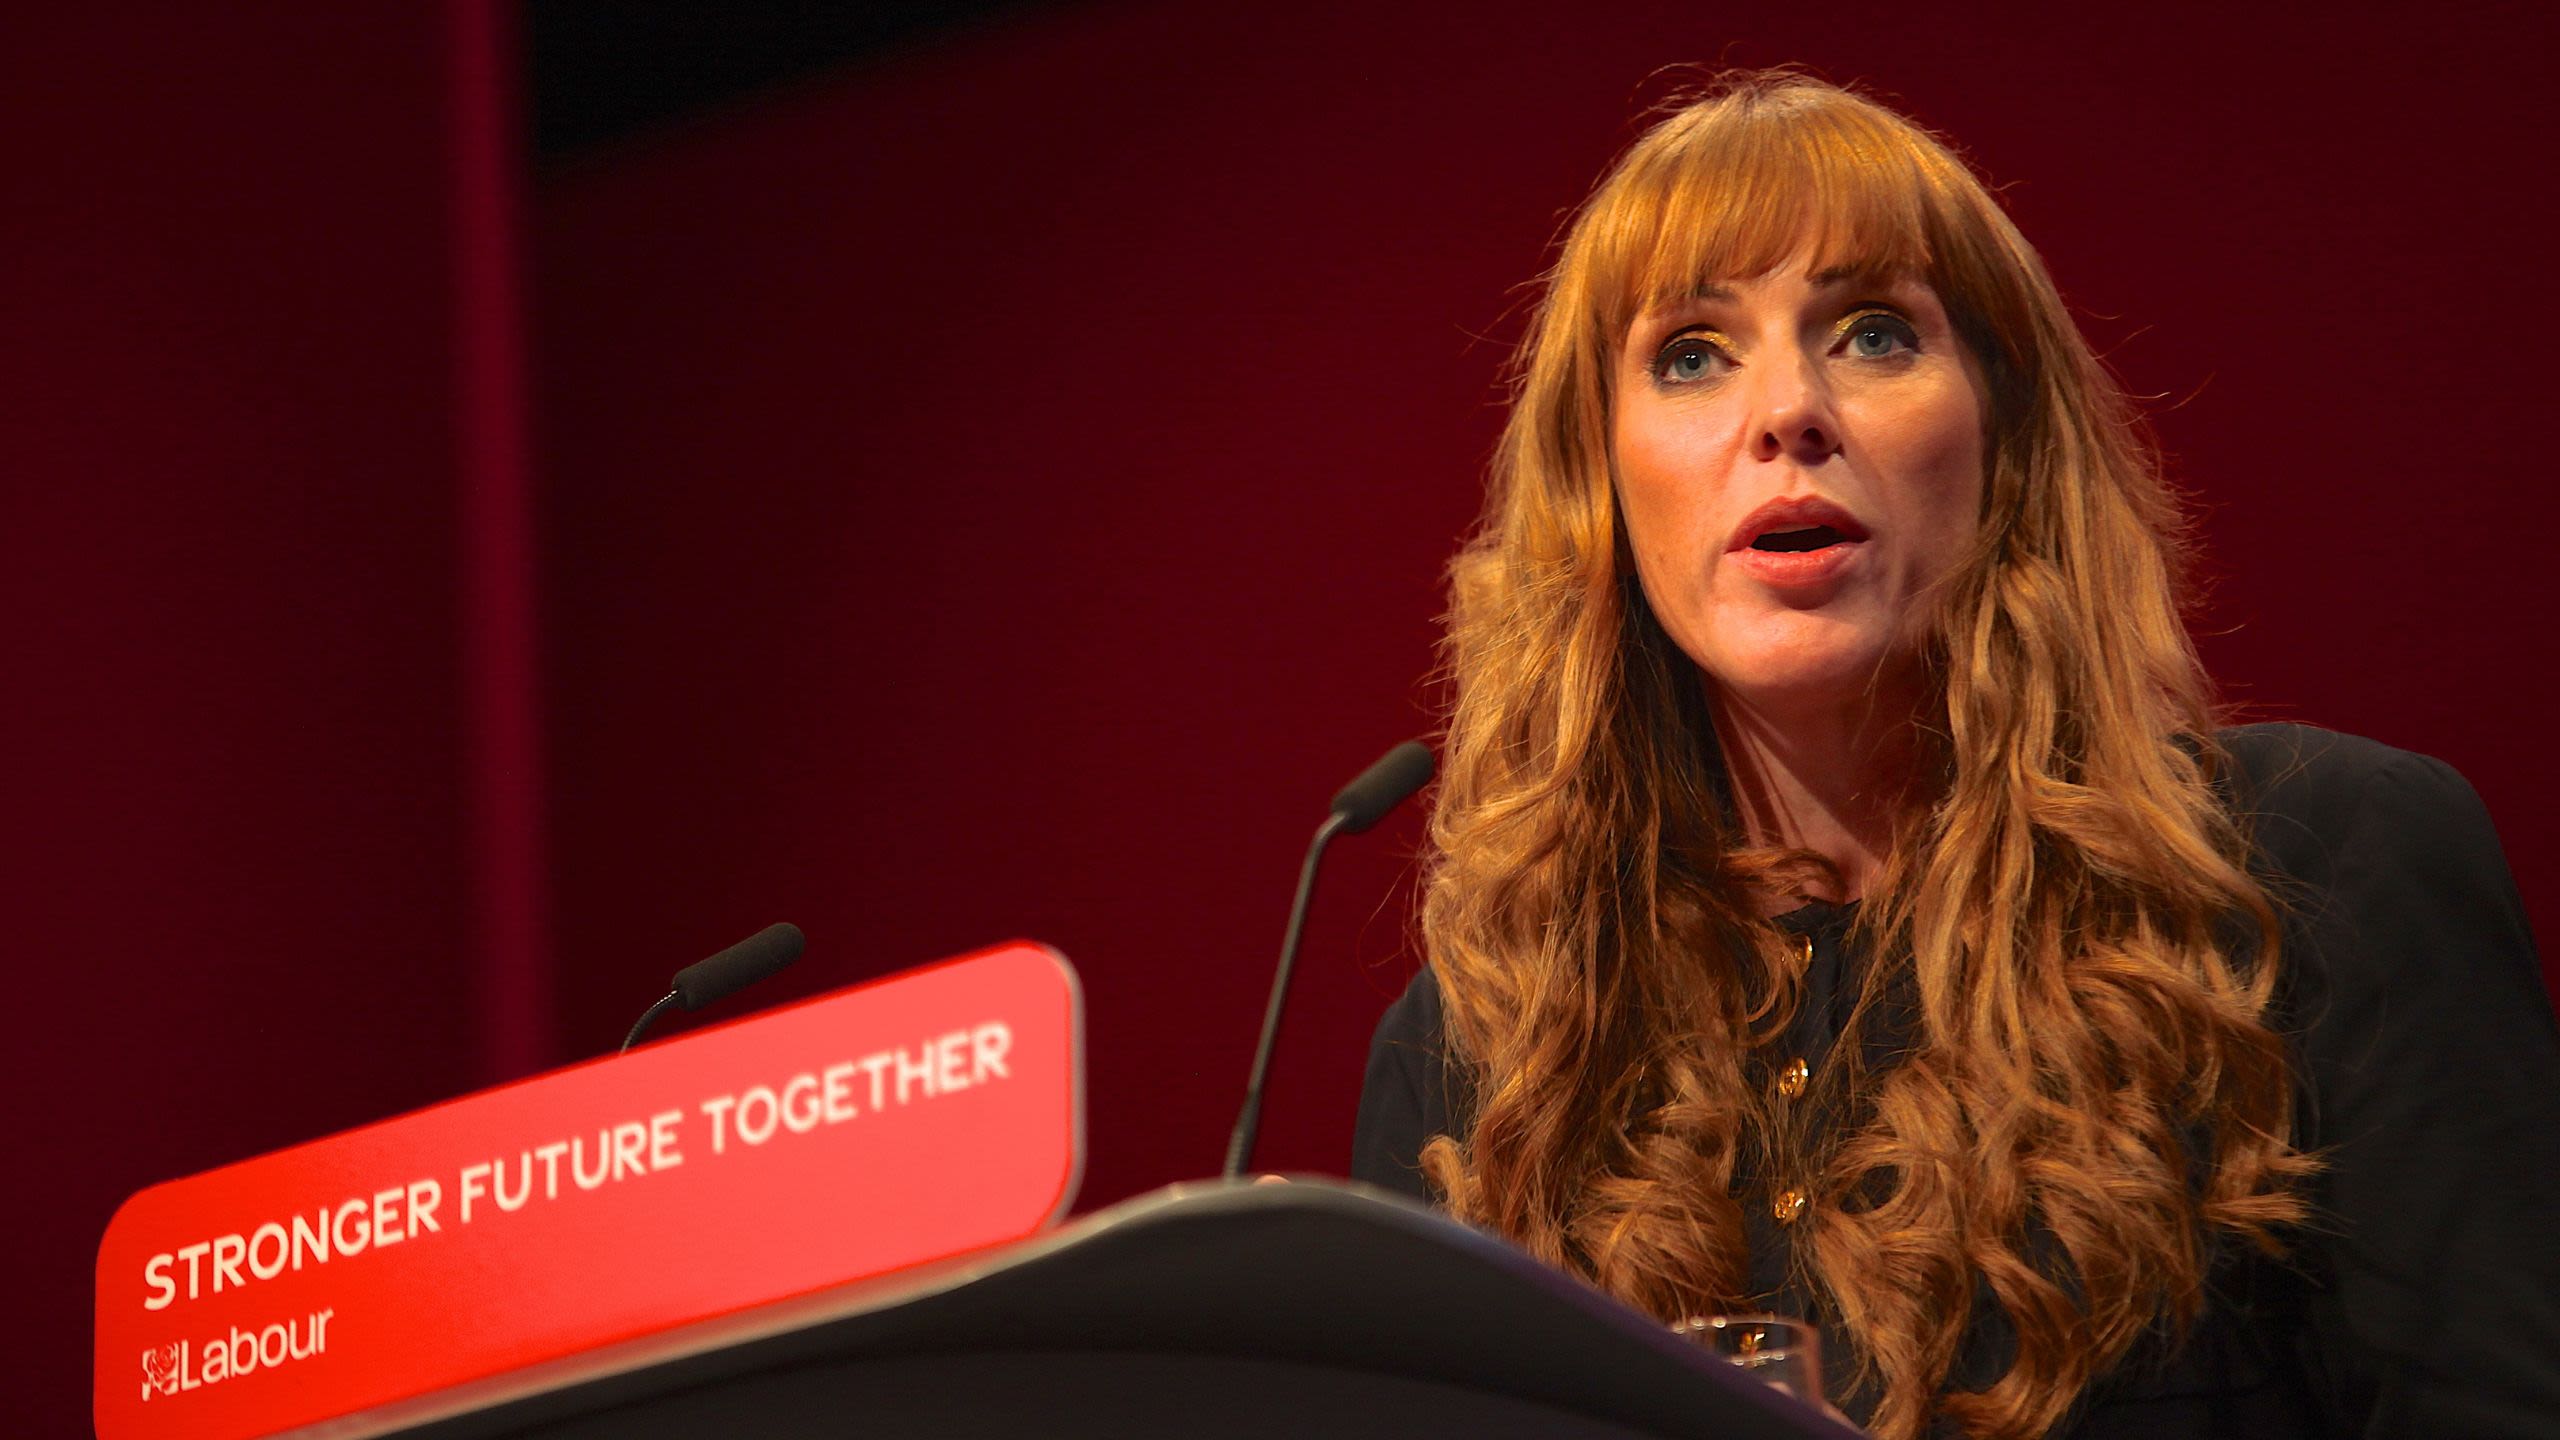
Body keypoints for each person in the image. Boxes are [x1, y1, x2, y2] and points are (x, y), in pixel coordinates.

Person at [1349, 72, 2560, 1439]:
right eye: (1690, 353)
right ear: (1603, 484)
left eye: (1873, 334)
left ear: (2006, 440)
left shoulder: (2314, 873)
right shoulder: (1484, 1052)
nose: (1788, 411)